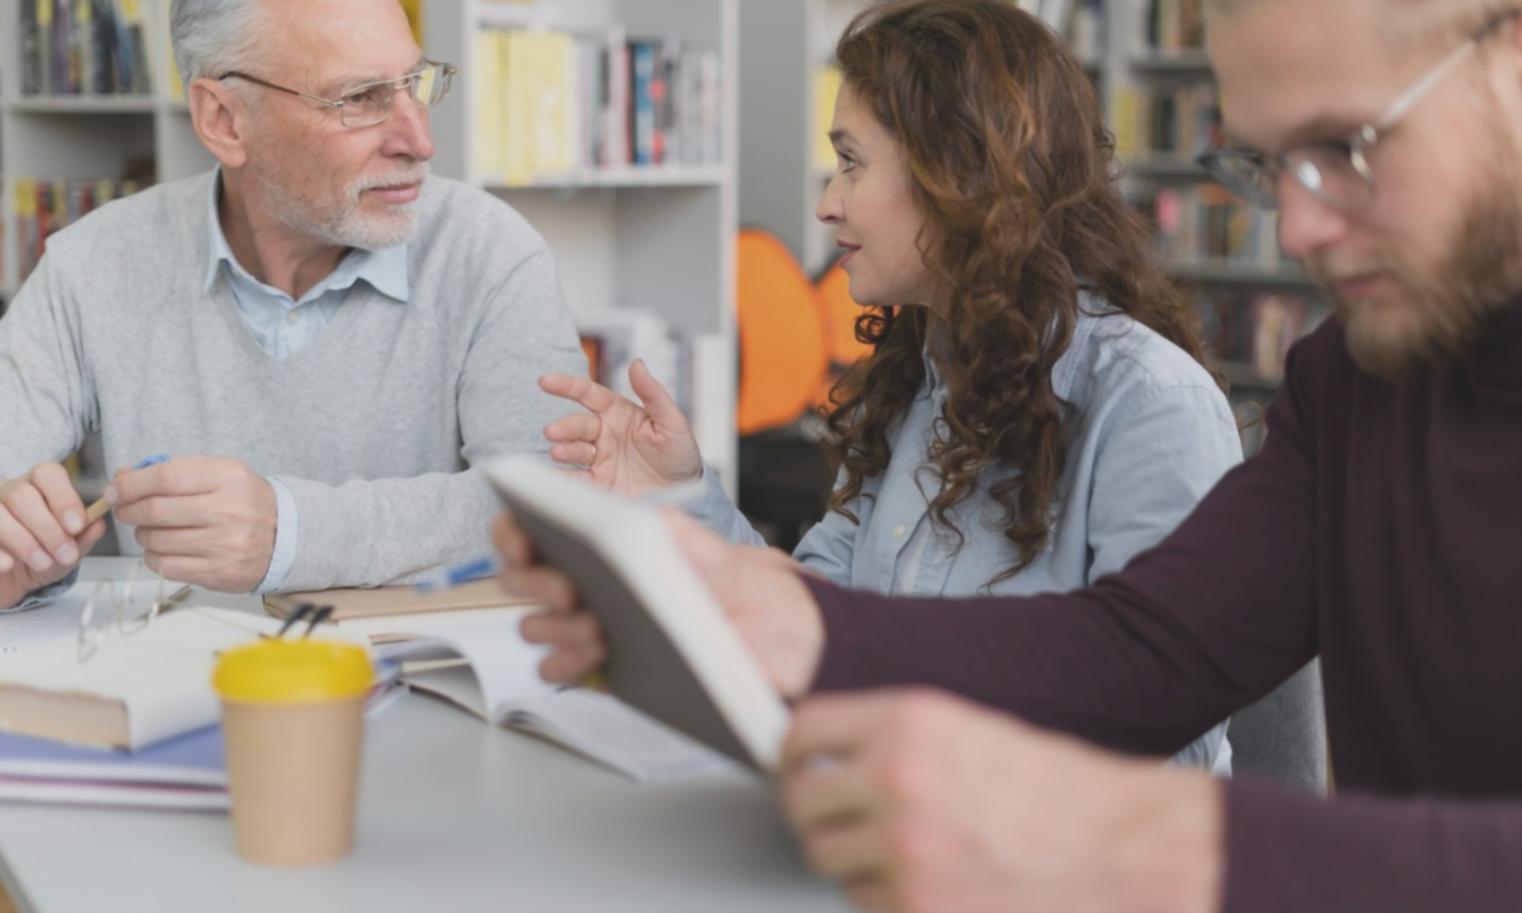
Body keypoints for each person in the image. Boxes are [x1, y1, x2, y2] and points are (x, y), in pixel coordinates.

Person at [501, 0, 1522, 909]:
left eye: (1344, 144)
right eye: (1263, 164)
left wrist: (1141, 839)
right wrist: (774, 617)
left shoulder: (1150, 395)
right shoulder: (1351, 383)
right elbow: (1151, 650)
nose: (1297, 225)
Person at [536, 0, 1240, 769]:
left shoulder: (1148, 403)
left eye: (851, 161)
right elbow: (812, 618)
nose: (826, 201)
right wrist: (677, 496)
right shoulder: (922, 377)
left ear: (958, 173)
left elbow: (1170, 743)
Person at [0, 0, 584, 611]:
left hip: (429, 689)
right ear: (224, 120)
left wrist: (294, 534)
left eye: (415, 84)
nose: (420, 140)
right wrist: (19, 555)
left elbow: (548, 509)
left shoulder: (489, 252)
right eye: (360, 98)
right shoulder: (91, 263)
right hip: (168, 684)